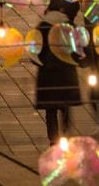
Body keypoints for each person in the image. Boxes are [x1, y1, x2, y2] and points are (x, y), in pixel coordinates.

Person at [34, 10, 84, 144]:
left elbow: (35, 52)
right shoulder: (68, 26)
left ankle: (53, 138)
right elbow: (77, 49)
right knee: (65, 105)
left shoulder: (42, 27)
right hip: (65, 72)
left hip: (47, 74)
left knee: (50, 109)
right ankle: (66, 132)